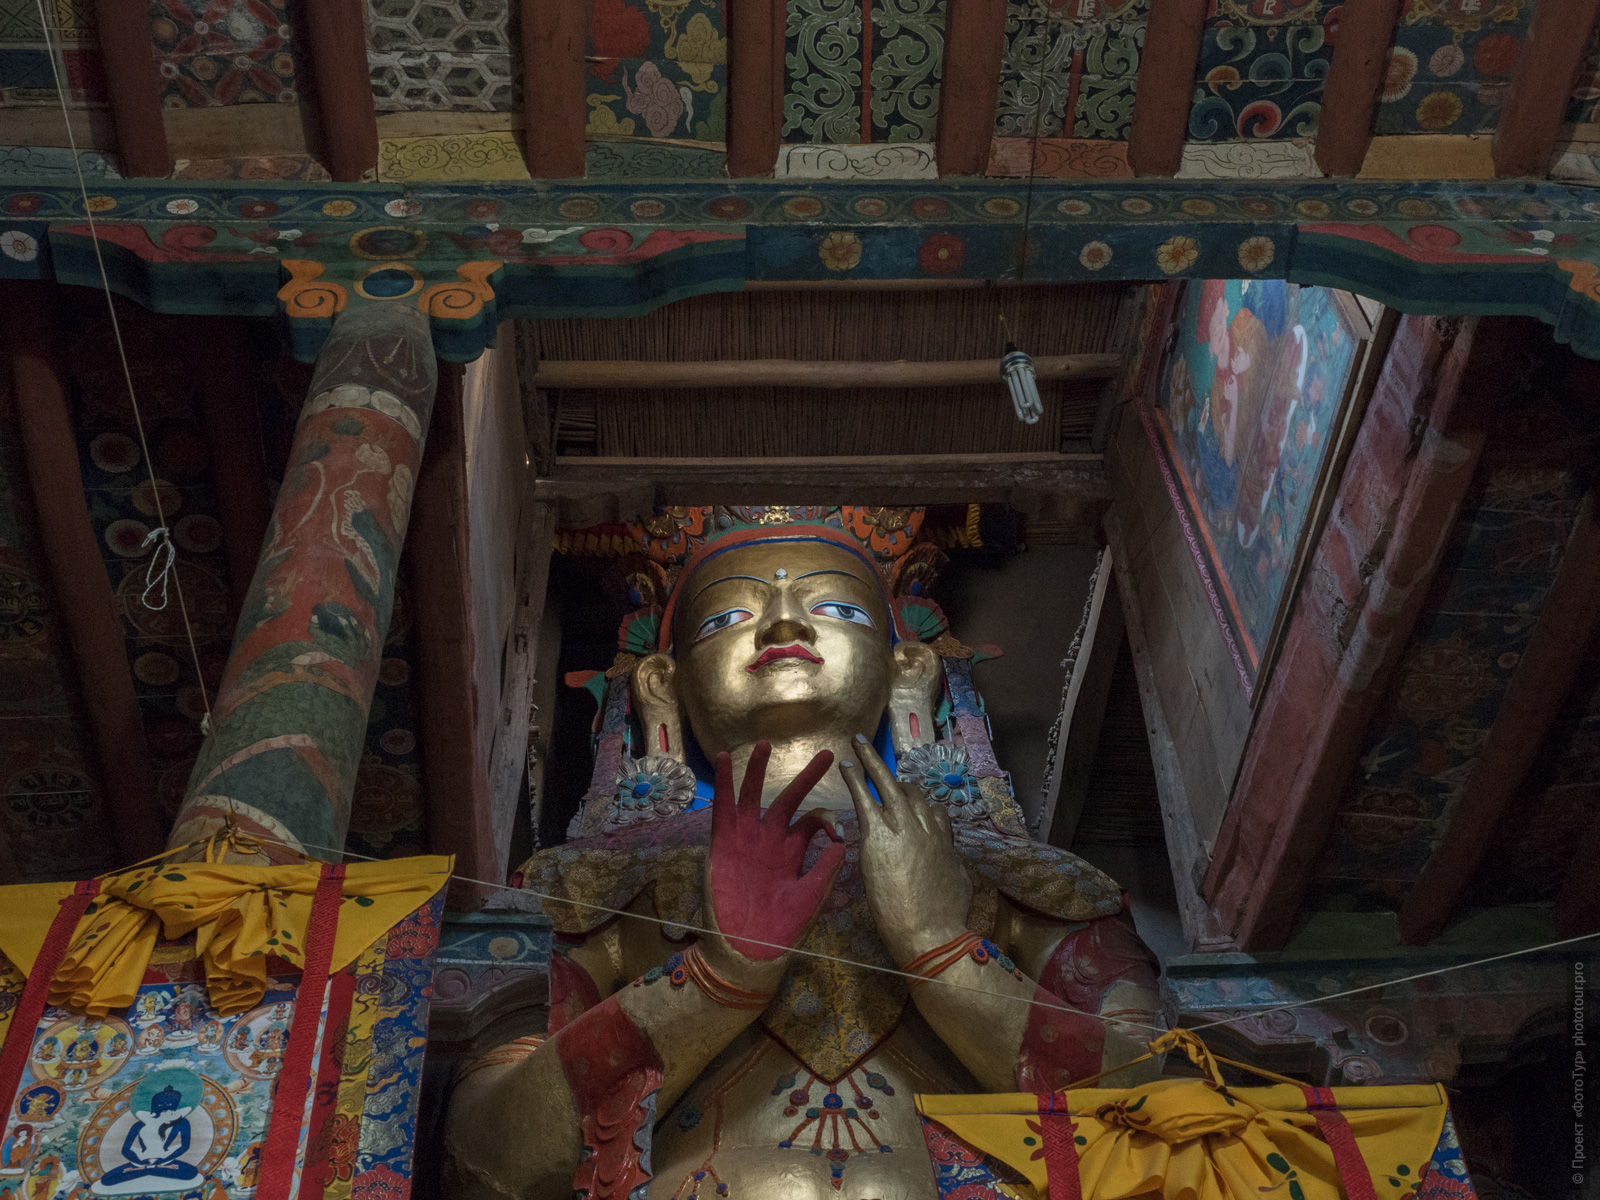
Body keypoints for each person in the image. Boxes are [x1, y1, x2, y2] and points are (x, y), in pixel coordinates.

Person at [445, 521, 1161, 1200]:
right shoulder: (583, 885)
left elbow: (1162, 1114)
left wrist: (941, 949)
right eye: (725, 620)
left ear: (905, 666)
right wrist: (715, 981)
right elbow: (485, 1160)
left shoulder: (1031, 880)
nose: (785, 625)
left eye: (837, 607)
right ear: (663, 683)